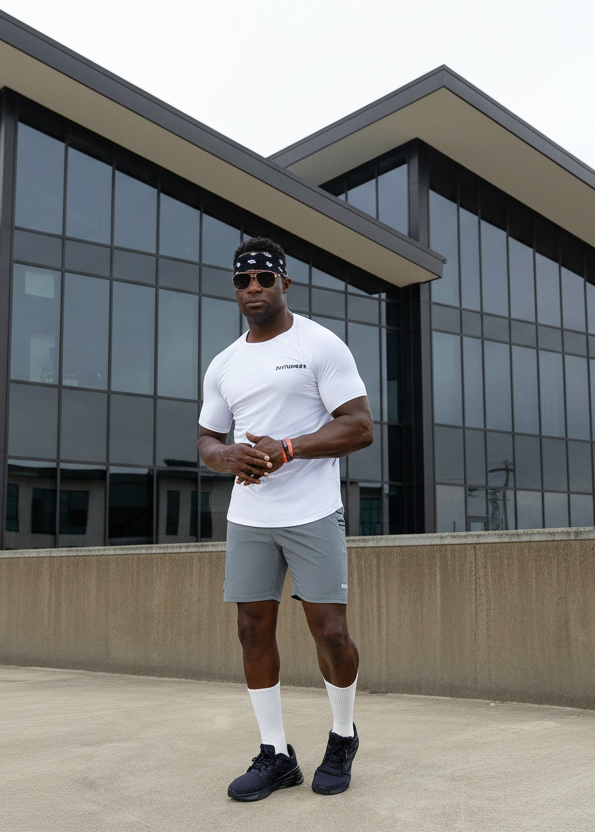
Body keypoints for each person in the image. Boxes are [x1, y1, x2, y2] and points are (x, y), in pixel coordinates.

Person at [198, 236, 373, 802]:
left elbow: (360, 426)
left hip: (313, 511)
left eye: (263, 278)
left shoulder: (319, 344)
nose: (253, 288)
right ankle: (276, 754)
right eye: (242, 280)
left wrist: (290, 448)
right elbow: (207, 439)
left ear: (284, 283)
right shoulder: (224, 363)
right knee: (251, 629)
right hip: (249, 516)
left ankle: (342, 736)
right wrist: (226, 456)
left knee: (330, 632)